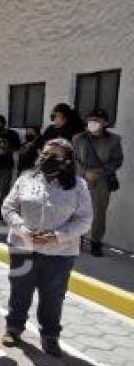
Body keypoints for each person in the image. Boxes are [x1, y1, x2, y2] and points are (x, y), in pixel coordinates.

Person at [1, 139, 92, 356]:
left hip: (59, 253)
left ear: (67, 162)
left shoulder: (78, 186)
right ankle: (14, 328)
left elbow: (84, 220)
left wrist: (57, 237)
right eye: (44, 154)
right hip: (23, 247)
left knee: (53, 296)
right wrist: (23, 229)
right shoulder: (26, 178)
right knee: (20, 290)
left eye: (54, 157)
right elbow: (8, 208)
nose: (46, 160)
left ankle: (50, 335)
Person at [73, 109, 124, 256]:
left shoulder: (114, 140)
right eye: (90, 120)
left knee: (99, 212)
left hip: (101, 181)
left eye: (96, 121)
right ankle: (78, 239)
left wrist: (98, 173)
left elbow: (117, 161)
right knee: (78, 211)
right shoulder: (78, 138)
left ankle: (96, 242)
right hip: (82, 179)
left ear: (105, 123)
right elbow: (74, 158)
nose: (92, 123)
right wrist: (85, 173)